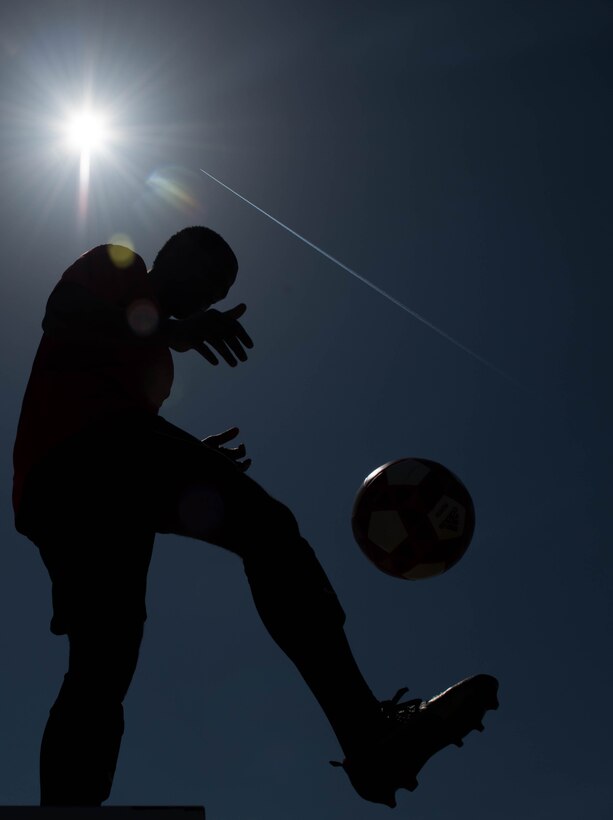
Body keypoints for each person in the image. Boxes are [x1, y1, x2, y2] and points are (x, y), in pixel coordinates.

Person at [13, 226, 498, 809]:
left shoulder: (158, 367)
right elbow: (63, 315)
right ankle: (365, 731)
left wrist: (190, 451)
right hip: (80, 456)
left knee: (104, 665)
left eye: (219, 291)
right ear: (172, 256)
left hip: (78, 491)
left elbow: (118, 414)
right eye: (208, 277)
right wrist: (171, 332)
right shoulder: (122, 267)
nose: (209, 296)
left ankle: (65, 809)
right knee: (267, 529)